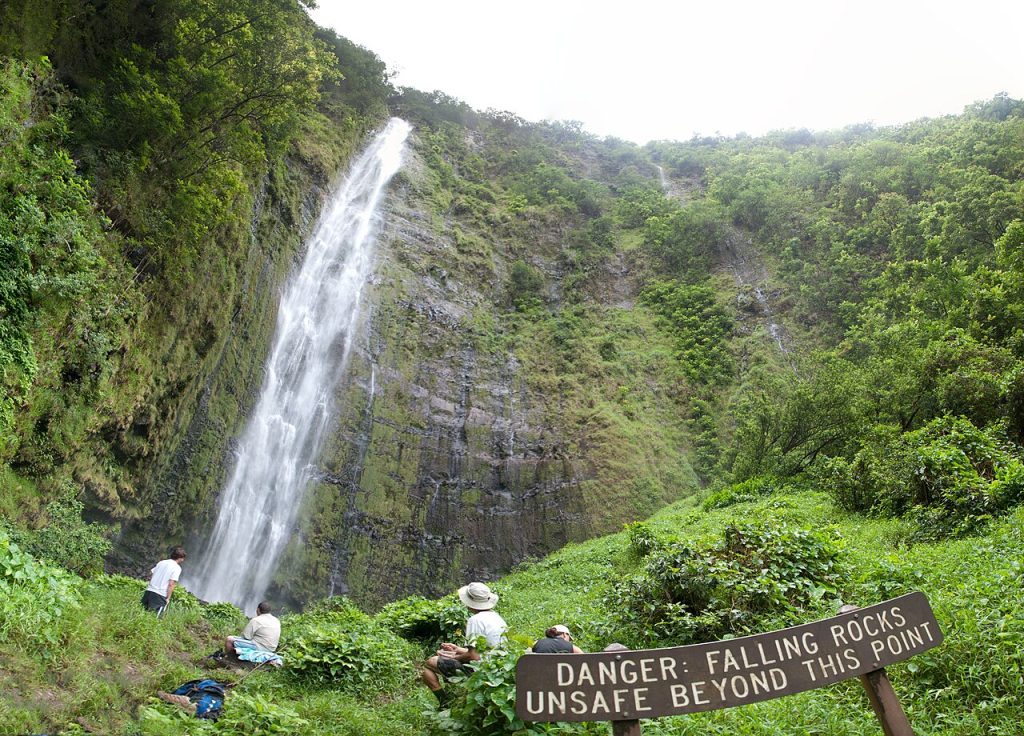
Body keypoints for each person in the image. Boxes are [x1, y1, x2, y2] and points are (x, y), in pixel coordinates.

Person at [421, 582, 507, 705]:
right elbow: (484, 650)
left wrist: (453, 657)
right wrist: (456, 649)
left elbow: (474, 656)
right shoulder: (496, 617)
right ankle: (454, 696)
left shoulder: (475, 620)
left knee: (429, 664)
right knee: (444, 660)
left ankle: (445, 702)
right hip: (497, 668)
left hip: (482, 671)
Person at [142, 546, 186, 614]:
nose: (183, 560)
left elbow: (151, 573)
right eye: (183, 558)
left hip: (149, 591)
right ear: (180, 558)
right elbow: (171, 584)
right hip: (160, 595)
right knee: (155, 619)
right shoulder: (177, 568)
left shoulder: (161, 562)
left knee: (141, 613)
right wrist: (168, 598)